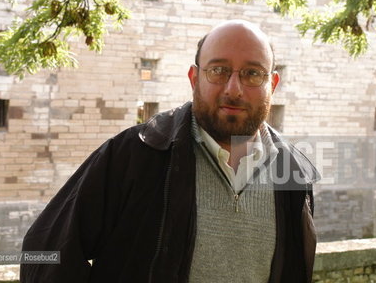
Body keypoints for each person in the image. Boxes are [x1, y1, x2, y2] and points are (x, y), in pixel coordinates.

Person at [20, 20, 319, 283]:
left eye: (252, 74)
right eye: (218, 70)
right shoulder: (136, 153)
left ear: (273, 84)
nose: (234, 89)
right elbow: (45, 248)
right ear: (194, 78)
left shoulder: (292, 173)